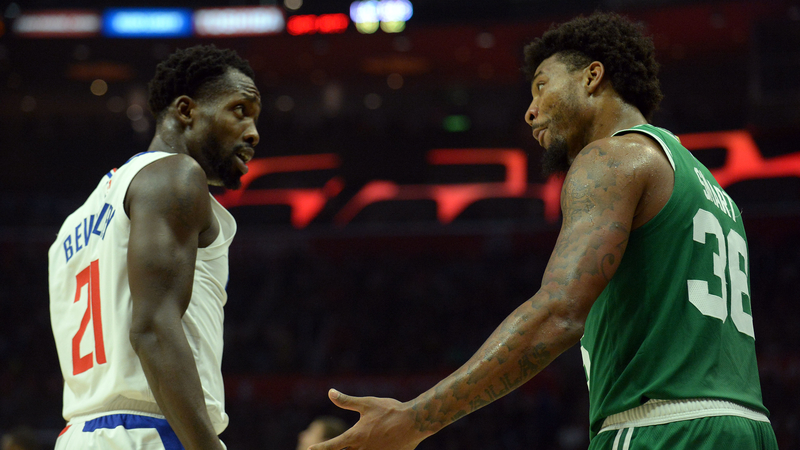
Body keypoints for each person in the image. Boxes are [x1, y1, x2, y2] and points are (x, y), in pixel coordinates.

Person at [308, 12, 778, 450]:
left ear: (592, 77)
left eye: (540, 87)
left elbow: (558, 313)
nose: (530, 112)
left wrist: (416, 419)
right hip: (751, 427)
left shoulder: (609, 158)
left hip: (663, 427)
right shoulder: (707, 185)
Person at [48, 44, 261, 450]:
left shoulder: (73, 225)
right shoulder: (176, 175)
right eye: (240, 110)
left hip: (78, 435)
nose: (253, 132)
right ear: (186, 110)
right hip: (153, 431)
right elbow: (152, 330)